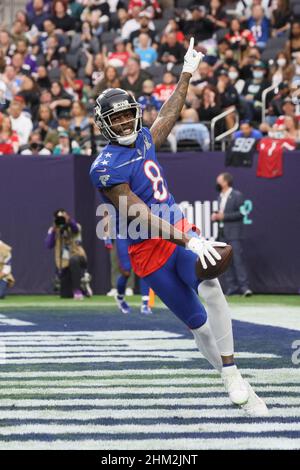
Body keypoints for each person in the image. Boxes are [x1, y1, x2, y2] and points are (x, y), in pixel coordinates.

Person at [90, 38, 268, 417]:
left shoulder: (141, 139)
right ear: (104, 124)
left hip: (177, 230)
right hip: (148, 250)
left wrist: (186, 73)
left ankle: (233, 372)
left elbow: (167, 117)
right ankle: (233, 380)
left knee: (213, 286)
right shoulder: (104, 167)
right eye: (116, 117)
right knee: (199, 326)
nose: (124, 121)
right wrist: (188, 238)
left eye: (127, 114)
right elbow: (138, 215)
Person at [211, 173, 253, 297]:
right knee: (226, 261)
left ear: (225, 182)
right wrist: (216, 216)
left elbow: (241, 213)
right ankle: (232, 287)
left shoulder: (237, 195)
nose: (217, 184)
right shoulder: (220, 196)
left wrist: (224, 216)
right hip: (222, 233)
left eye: (218, 181)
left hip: (234, 234)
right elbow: (223, 214)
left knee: (237, 260)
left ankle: (245, 288)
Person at [45, 209, 92, 299]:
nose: (61, 220)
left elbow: (75, 229)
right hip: (64, 263)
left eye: (63, 217)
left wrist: (69, 221)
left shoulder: (75, 226)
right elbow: (48, 245)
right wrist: (54, 230)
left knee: (73, 260)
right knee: (65, 295)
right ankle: (82, 288)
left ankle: (77, 291)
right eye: (59, 218)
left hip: (79, 258)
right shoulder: (54, 230)